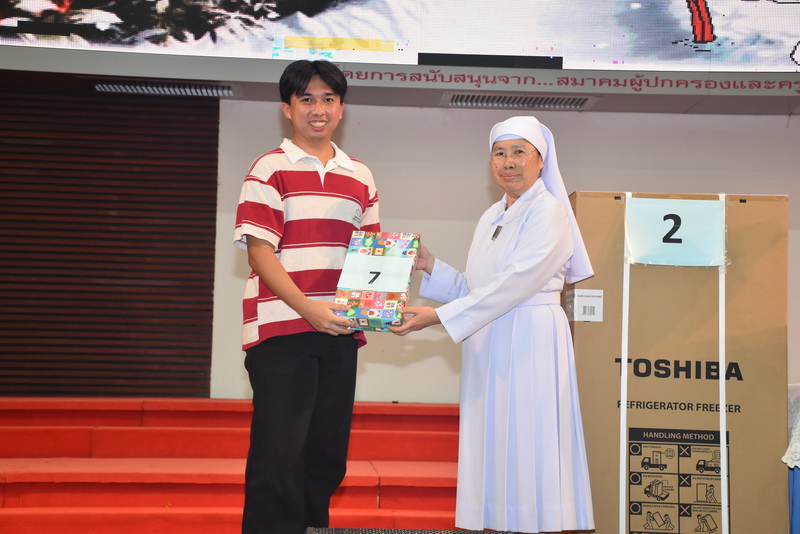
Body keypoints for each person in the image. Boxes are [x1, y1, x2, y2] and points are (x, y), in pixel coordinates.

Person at [391, 115, 595, 533]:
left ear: (541, 160)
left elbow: (517, 283)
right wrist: (432, 267)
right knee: (497, 442)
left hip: (531, 340)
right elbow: (479, 287)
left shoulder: (549, 212)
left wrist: (438, 317)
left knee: (529, 440)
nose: (508, 162)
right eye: (499, 153)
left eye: (519, 152)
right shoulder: (491, 216)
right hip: (490, 342)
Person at [233, 59, 380, 534]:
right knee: (279, 456)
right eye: (307, 99)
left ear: (342, 107)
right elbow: (260, 252)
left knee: (326, 457)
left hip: (339, 331)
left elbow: (370, 257)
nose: (319, 109)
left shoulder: (360, 175)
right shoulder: (268, 169)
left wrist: (379, 308)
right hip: (282, 330)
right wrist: (308, 309)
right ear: (287, 108)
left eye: (328, 99)